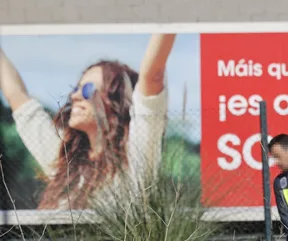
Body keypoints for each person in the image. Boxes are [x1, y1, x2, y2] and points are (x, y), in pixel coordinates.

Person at [0, 34, 176, 210]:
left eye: (87, 89)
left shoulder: (137, 157)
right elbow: (17, 96)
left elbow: (152, 77)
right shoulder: (64, 160)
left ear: (116, 100)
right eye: (76, 89)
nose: (75, 96)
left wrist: (166, 23)